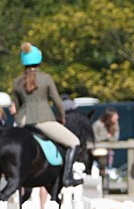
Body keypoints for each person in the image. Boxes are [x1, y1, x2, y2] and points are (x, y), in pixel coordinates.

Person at [11, 42, 82, 186]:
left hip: (22, 121)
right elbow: (57, 101)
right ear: (39, 61)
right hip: (42, 120)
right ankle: (67, 177)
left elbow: (18, 106)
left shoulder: (17, 81)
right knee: (74, 142)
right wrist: (61, 117)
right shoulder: (46, 78)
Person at [92, 108, 120, 178]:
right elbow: (93, 137)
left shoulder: (115, 125)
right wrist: (106, 137)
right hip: (97, 150)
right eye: (115, 115)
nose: (117, 117)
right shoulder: (98, 124)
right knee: (102, 160)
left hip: (110, 150)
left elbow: (115, 138)